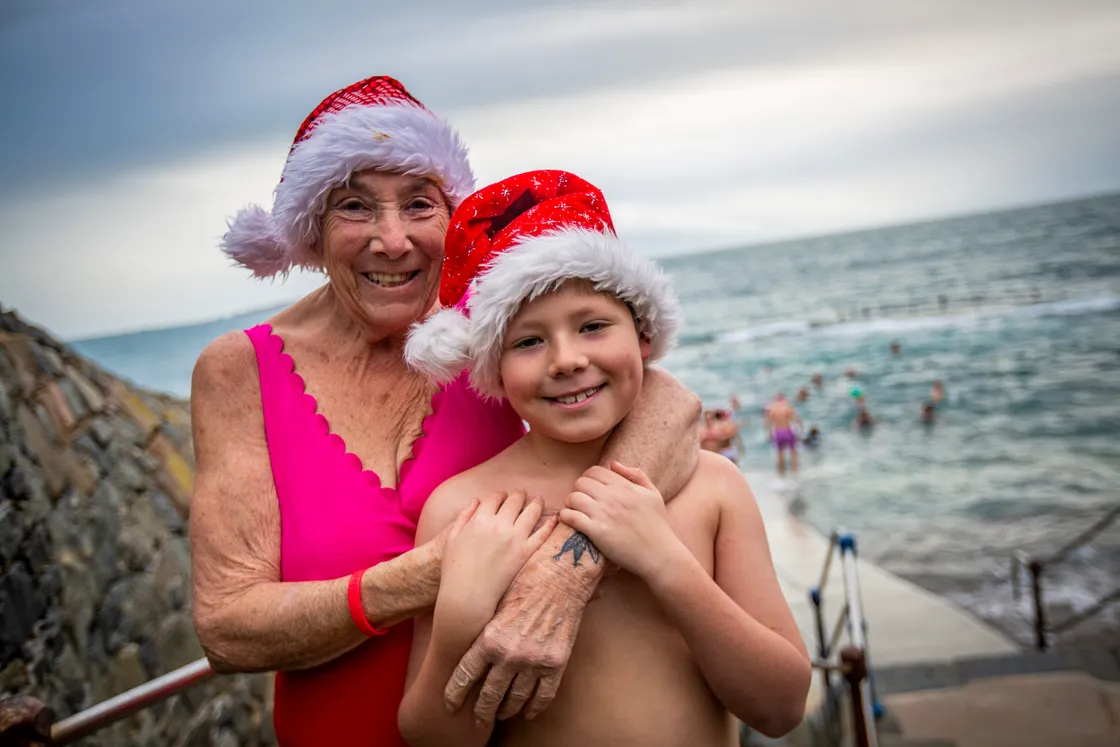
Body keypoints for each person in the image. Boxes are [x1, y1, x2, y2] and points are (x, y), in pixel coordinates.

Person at [189, 77, 700, 747]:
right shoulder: (238, 370)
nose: (392, 239)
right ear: (310, 225)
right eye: (354, 206)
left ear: (452, 216)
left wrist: (565, 570)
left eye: (420, 204)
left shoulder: (489, 333)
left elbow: (669, 402)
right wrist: (438, 572)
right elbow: (228, 624)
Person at [397, 171, 810, 746]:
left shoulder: (712, 486)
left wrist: (665, 560)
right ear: (491, 369)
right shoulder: (463, 507)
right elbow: (433, 737)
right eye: (528, 341)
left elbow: (782, 705)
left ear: (643, 336)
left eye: (592, 326)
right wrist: (458, 624)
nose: (566, 360)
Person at [764, 394, 802, 478]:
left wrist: (768, 433)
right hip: (788, 431)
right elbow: (796, 419)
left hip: (778, 432)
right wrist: (800, 430)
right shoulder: (787, 407)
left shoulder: (772, 408)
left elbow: (767, 422)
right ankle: (794, 477)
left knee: (780, 457)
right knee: (793, 455)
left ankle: (781, 478)